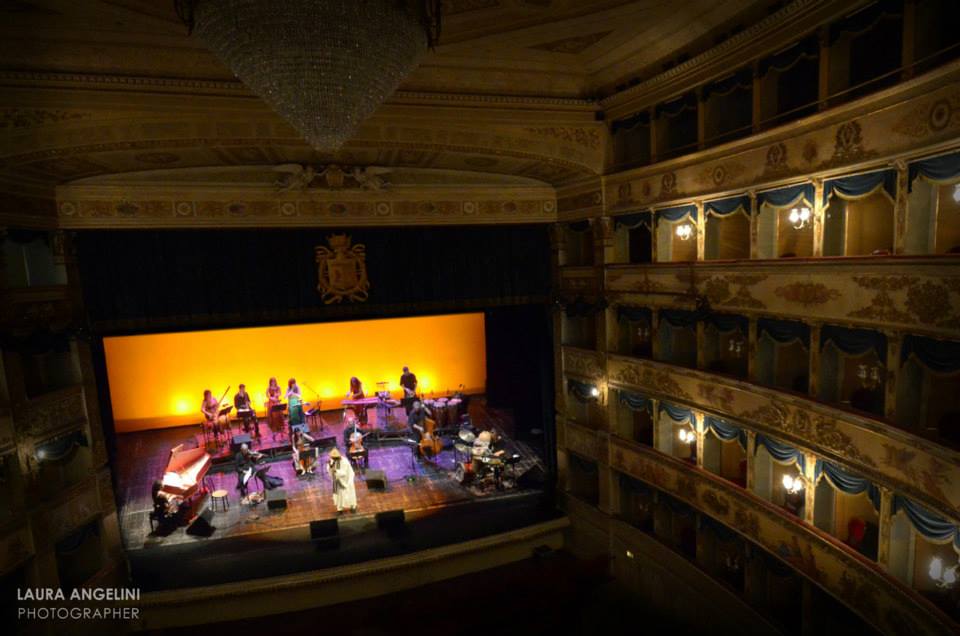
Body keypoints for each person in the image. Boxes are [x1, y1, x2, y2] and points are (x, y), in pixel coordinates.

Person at [328, 448, 357, 514]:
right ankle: (339, 509)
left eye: (334, 458)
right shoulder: (332, 461)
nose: (333, 459)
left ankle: (353, 507)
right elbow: (330, 470)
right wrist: (330, 467)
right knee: (338, 495)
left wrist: (335, 471)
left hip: (347, 480)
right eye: (332, 458)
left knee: (349, 493)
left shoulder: (344, 461)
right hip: (337, 480)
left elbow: (344, 473)